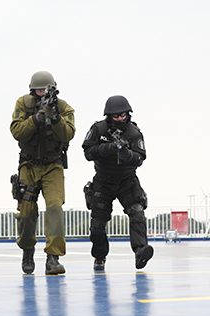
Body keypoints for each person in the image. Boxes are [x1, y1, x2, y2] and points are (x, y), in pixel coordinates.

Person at [10, 71, 75, 275]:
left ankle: (53, 257)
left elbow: (69, 133)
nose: (42, 93)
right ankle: (28, 250)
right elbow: (16, 131)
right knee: (27, 211)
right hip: (29, 165)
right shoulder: (23, 104)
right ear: (32, 90)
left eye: (46, 90)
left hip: (53, 165)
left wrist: (55, 118)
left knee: (55, 208)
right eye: (39, 90)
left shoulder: (64, 108)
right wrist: (37, 118)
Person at [82, 95, 153, 271]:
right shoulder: (98, 129)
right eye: (116, 116)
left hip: (127, 180)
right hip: (103, 181)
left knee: (137, 212)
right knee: (97, 224)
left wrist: (127, 155)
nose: (120, 119)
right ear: (109, 116)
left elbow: (140, 158)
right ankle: (99, 256)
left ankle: (140, 251)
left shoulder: (134, 133)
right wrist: (108, 148)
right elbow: (88, 152)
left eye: (123, 115)